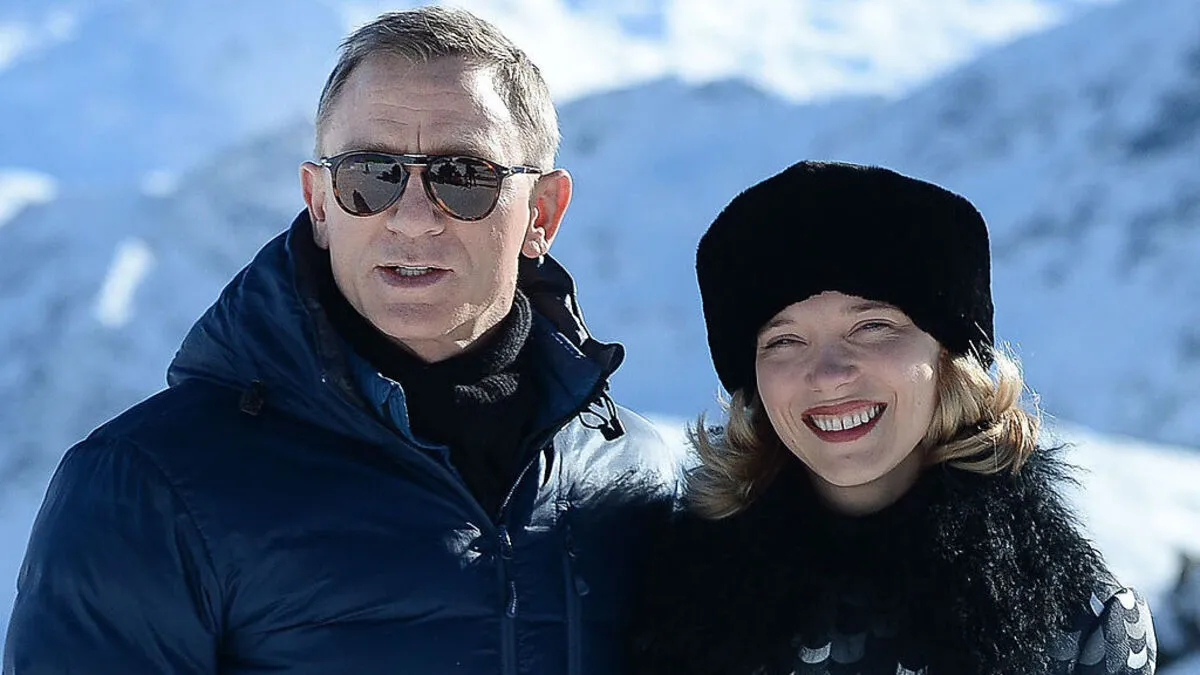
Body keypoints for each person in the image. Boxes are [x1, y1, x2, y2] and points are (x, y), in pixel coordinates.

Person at [4, 7, 679, 674]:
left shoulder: (633, 475)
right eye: (370, 176)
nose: (413, 219)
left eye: (463, 177)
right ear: (320, 202)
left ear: (542, 213)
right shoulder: (146, 487)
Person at [632, 161, 1156, 675]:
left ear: (950, 357)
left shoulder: (1079, 626)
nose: (830, 374)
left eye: (873, 327)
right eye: (785, 340)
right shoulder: (658, 600)